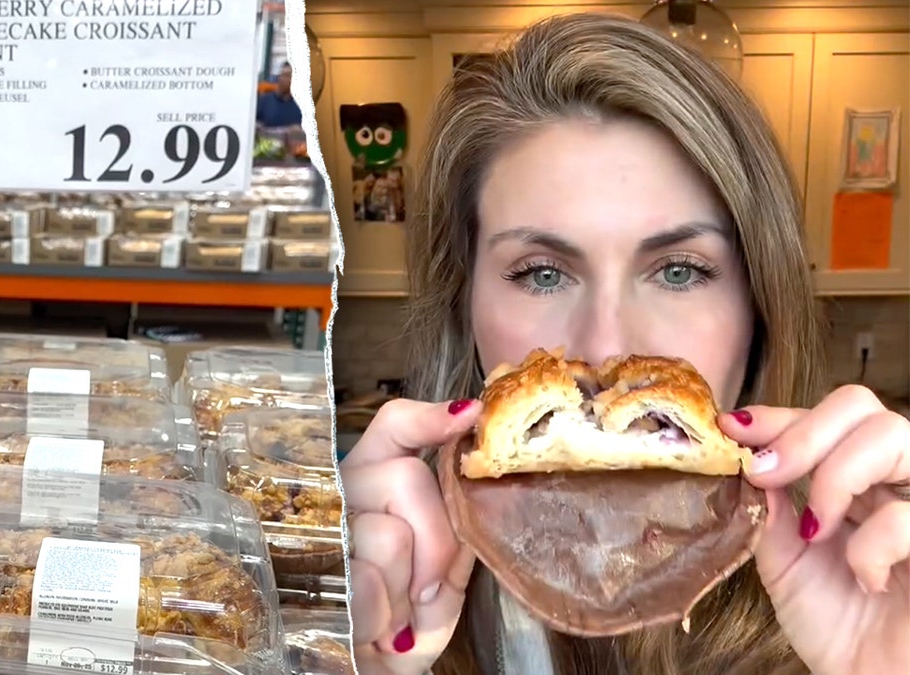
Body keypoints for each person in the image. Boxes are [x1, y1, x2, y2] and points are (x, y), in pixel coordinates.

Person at [341, 14, 909, 675]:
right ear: (464, 303)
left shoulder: (869, 580)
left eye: (678, 271)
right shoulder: (388, 597)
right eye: (542, 273)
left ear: (759, 306)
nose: (607, 352)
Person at [256, 62, 302, 128]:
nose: (284, 79)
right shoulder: (266, 101)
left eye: (288, 76)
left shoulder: (300, 106)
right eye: (283, 75)